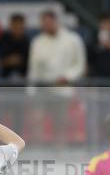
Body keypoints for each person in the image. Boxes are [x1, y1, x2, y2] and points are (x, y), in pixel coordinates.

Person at [28, 10, 86, 145]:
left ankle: (60, 152)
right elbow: (33, 69)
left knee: (61, 121)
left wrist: (67, 77)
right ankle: (39, 152)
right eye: (44, 23)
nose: (47, 25)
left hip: (63, 88)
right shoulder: (37, 42)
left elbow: (80, 65)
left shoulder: (73, 39)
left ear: (56, 21)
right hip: (42, 89)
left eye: (49, 22)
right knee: (37, 121)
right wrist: (30, 91)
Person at [0, 13, 30, 83]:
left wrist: (15, 61)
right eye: (15, 25)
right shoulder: (3, 39)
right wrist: (9, 61)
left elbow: (29, 64)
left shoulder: (28, 43)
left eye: (20, 25)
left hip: (23, 80)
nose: (17, 28)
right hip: (4, 78)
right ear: (10, 25)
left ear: (24, 26)